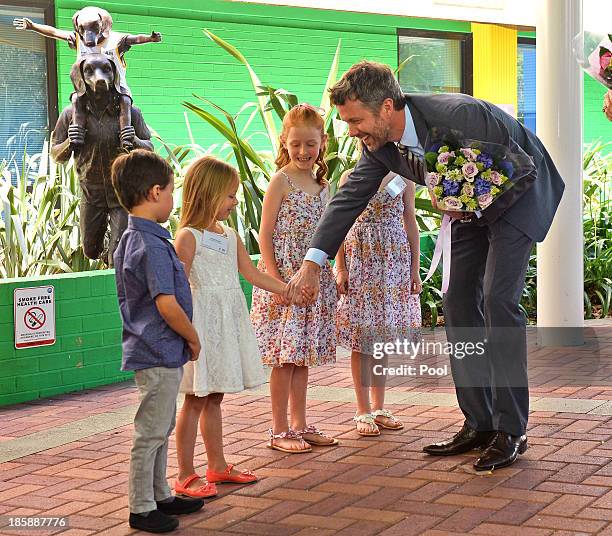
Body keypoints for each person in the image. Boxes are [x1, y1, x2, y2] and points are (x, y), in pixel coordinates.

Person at [287, 61, 565, 471]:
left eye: (355, 120)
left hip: (517, 194)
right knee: (456, 302)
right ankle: (480, 422)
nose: (351, 131)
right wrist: (313, 262)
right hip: (466, 206)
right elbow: (349, 200)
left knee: (498, 299)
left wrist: (456, 199)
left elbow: (519, 166)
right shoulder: (378, 144)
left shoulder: (460, 115)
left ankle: (512, 429)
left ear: (385, 107)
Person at [173, 156, 288, 496]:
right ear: (207, 194)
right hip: (201, 326)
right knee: (195, 398)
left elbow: (251, 275)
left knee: (215, 397)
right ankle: (184, 473)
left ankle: (217, 466)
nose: (234, 202)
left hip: (226, 325)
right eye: (229, 195)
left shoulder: (230, 235)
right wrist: (183, 332)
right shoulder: (187, 236)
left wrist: (289, 290)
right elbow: (178, 286)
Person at [111, 150, 204, 533]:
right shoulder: (148, 244)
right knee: (151, 431)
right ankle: (142, 506)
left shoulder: (138, 238)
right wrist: (193, 337)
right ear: (153, 193)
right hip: (158, 349)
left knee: (161, 425)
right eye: (169, 192)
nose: (172, 200)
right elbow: (165, 303)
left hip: (159, 350)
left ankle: (160, 493)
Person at [250, 103, 339, 453]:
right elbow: (264, 234)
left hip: (311, 283)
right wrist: (277, 282)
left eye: (310, 144)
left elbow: (331, 233)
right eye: (296, 144)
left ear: (322, 143)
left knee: (301, 357)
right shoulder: (280, 181)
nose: (303, 151)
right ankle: (279, 429)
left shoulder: (323, 184)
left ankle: (300, 423)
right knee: (284, 358)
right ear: (284, 142)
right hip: (285, 280)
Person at [335, 168, 422, 436]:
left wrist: (415, 268)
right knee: (361, 337)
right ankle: (363, 410)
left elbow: (411, 221)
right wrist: (341, 267)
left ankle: (379, 407)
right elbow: (339, 221)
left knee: (382, 337)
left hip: (394, 261)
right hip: (360, 257)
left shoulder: (403, 178)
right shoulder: (350, 177)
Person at [14, 6, 161, 150]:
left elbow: (134, 39)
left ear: (103, 25)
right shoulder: (78, 39)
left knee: (125, 102)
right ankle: (77, 130)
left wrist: (150, 38)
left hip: (116, 87)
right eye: (83, 29)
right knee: (76, 100)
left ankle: (126, 135)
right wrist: (33, 26)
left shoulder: (116, 41)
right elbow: (54, 32)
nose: (88, 36)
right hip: (86, 90)